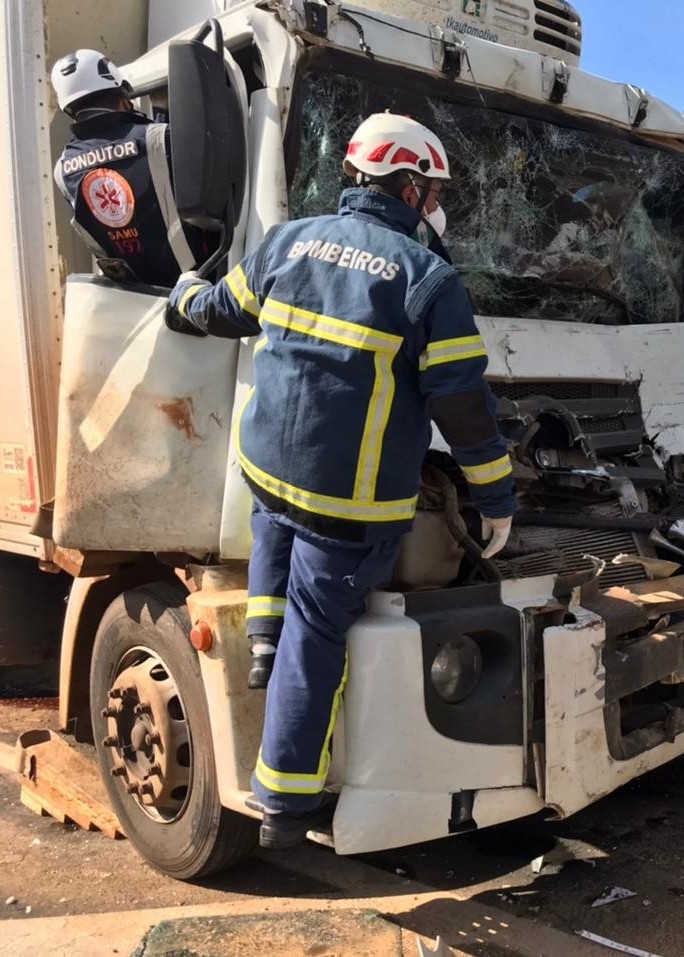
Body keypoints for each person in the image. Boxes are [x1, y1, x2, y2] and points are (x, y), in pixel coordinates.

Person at [164, 113, 518, 847]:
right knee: (317, 634)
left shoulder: (289, 242)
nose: (436, 206)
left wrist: (181, 299)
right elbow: (463, 403)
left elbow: (222, 310)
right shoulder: (426, 279)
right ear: (411, 185)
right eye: (435, 192)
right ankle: (285, 800)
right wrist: (496, 495)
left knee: (272, 527)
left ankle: (262, 636)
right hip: (349, 504)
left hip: (269, 469)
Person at [50, 49, 210, 286]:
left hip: (132, 297)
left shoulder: (63, 169)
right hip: (197, 284)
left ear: (69, 109)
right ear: (122, 95)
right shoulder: (159, 137)